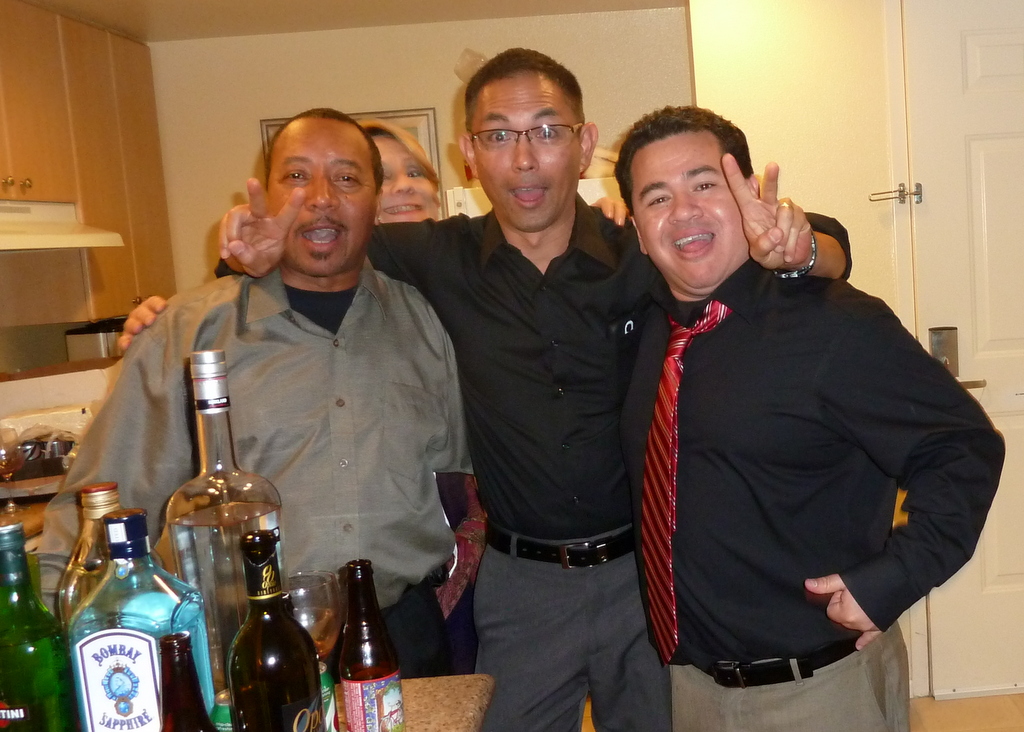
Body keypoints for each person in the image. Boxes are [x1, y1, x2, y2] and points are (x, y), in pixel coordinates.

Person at [125, 49, 851, 732]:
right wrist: (214, 279)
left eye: (547, 132)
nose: (525, 159)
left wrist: (805, 249)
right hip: (521, 583)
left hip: (646, 571)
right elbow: (320, 240)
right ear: (468, 154)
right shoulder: (433, 256)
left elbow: (815, 241)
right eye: (499, 135)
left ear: (584, 144)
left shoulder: (642, 247)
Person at [614, 105, 1005, 732]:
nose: (683, 211)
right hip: (689, 689)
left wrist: (894, 578)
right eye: (657, 197)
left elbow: (963, 447)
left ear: (749, 196)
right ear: (637, 230)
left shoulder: (835, 325)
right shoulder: (650, 330)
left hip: (818, 691)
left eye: (705, 184)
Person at [42, 108, 471, 677]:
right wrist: (54, 635)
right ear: (264, 199)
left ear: (375, 201)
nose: (321, 198)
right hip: (239, 645)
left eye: (347, 178)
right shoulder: (188, 334)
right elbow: (104, 500)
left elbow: (464, 473)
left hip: (402, 636)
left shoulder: (425, 321)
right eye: (296, 177)